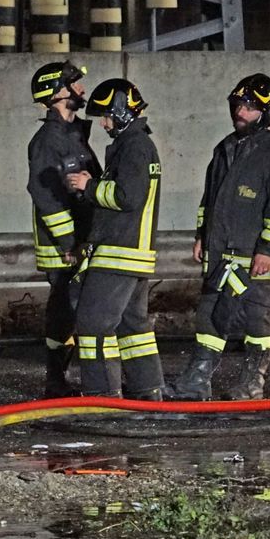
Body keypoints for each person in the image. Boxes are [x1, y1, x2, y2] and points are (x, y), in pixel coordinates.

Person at [165, 74, 270, 400]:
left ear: (265, 112)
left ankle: (252, 383)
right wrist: (201, 236)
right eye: (238, 104)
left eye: (250, 107)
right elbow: (209, 200)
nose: (241, 111)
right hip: (221, 254)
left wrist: (266, 251)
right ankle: (197, 380)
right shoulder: (224, 148)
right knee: (209, 314)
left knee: (257, 320)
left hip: (255, 261)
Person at [63, 79, 164, 399]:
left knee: (93, 324)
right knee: (134, 329)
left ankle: (101, 395)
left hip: (119, 253)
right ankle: (148, 391)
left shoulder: (134, 146)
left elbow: (128, 196)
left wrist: (88, 185)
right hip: (133, 254)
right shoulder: (137, 145)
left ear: (121, 112)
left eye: (106, 115)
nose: (104, 123)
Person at [25, 61, 99, 396]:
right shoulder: (47, 141)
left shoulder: (74, 135)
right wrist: (69, 240)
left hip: (80, 240)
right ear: (57, 94)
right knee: (64, 309)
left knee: (77, 307)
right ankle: (56, 380)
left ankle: (69, 379)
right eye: (75, 84)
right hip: (63, 246)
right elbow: (46, 197)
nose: (82, 89)